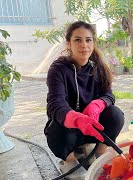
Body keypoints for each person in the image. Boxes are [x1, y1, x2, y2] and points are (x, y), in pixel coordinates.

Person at [44, 21, 124, 179]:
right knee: (57, 128)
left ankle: (99, 153)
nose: (84, 45)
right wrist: (74, 118)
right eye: (78, 40)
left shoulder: (98, 67)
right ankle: (71, 159)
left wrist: (98, 104)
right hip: (69, 131)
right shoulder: (58, 69)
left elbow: (108, 95)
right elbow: (55, 104)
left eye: (88, 40)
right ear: (68, 43)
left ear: (93, 43)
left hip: (93, 127)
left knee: (116, 115)